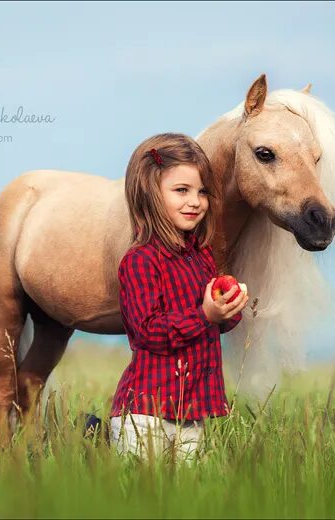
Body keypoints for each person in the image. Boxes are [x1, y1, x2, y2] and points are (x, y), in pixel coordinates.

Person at [110, 132, 249, 463]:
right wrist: (204, 315)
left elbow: (209, 326)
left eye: (202, 191)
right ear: (150, 194)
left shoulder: (200, 257)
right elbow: (148, 331)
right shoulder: (140, 260)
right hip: (146, 415)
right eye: (181, 190)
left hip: (191, 411)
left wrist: (227, 310)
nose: (195, 201)